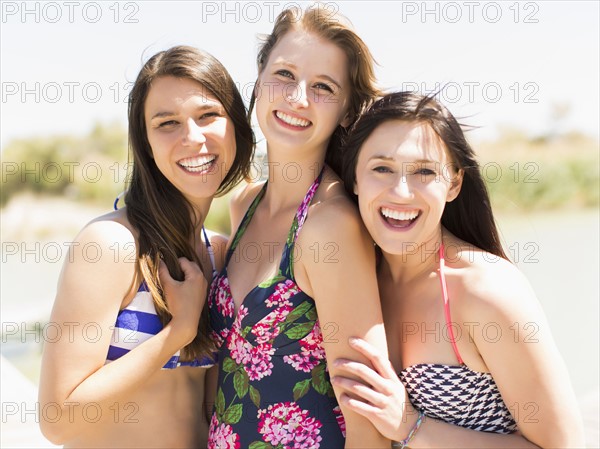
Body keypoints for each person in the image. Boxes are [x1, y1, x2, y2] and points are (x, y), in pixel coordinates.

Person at [334, 91, 585, 447]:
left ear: (453, 183)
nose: (401, 192)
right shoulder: (356, 280)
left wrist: (410, 426)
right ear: (355, 178)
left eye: (424, 171)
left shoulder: (484, 291)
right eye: (382, 168)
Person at [38, 45, 254, 448]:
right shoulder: (110, 246)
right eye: (167, 123)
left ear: (236, 126)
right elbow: (58, 420)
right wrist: (178, 333)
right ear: (146, 144)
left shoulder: (219, 253)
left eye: (208, 116)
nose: (192, 138)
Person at [206, 6, 390, 449]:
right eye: (285, 74)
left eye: (323, 87)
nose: (297, 97)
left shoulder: (330, 226)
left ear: (347, 111)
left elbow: (368, 423)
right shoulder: (244, 203)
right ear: (259, 77)